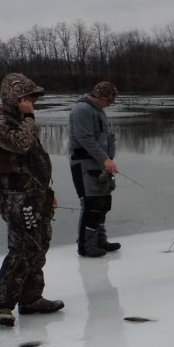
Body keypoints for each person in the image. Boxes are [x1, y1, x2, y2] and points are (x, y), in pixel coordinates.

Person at [0, 73, 63, 326]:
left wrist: (47, 193)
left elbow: (34, 161)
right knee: (22, 249)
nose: (32, 102)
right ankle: (1, 305)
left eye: (32, 98)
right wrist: (28, 118)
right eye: (26, 98)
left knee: (39, 246)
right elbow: (21, 145)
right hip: (17, 197)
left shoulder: (19, 121)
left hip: (37, 195)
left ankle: (31, 298)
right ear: (13, 98)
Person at [69, 82, 120, 257]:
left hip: (99, 164)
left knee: (103, 203)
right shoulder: (82, 110)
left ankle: (99, 240)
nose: (109, 105)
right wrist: (105, 159)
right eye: (109, 101)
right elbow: (85, 139)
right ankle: (86, 246)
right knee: (91, 205)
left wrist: (108, 160)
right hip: (85, 164)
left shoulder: (98, 111)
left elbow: (103, 138)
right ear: (99, 96)